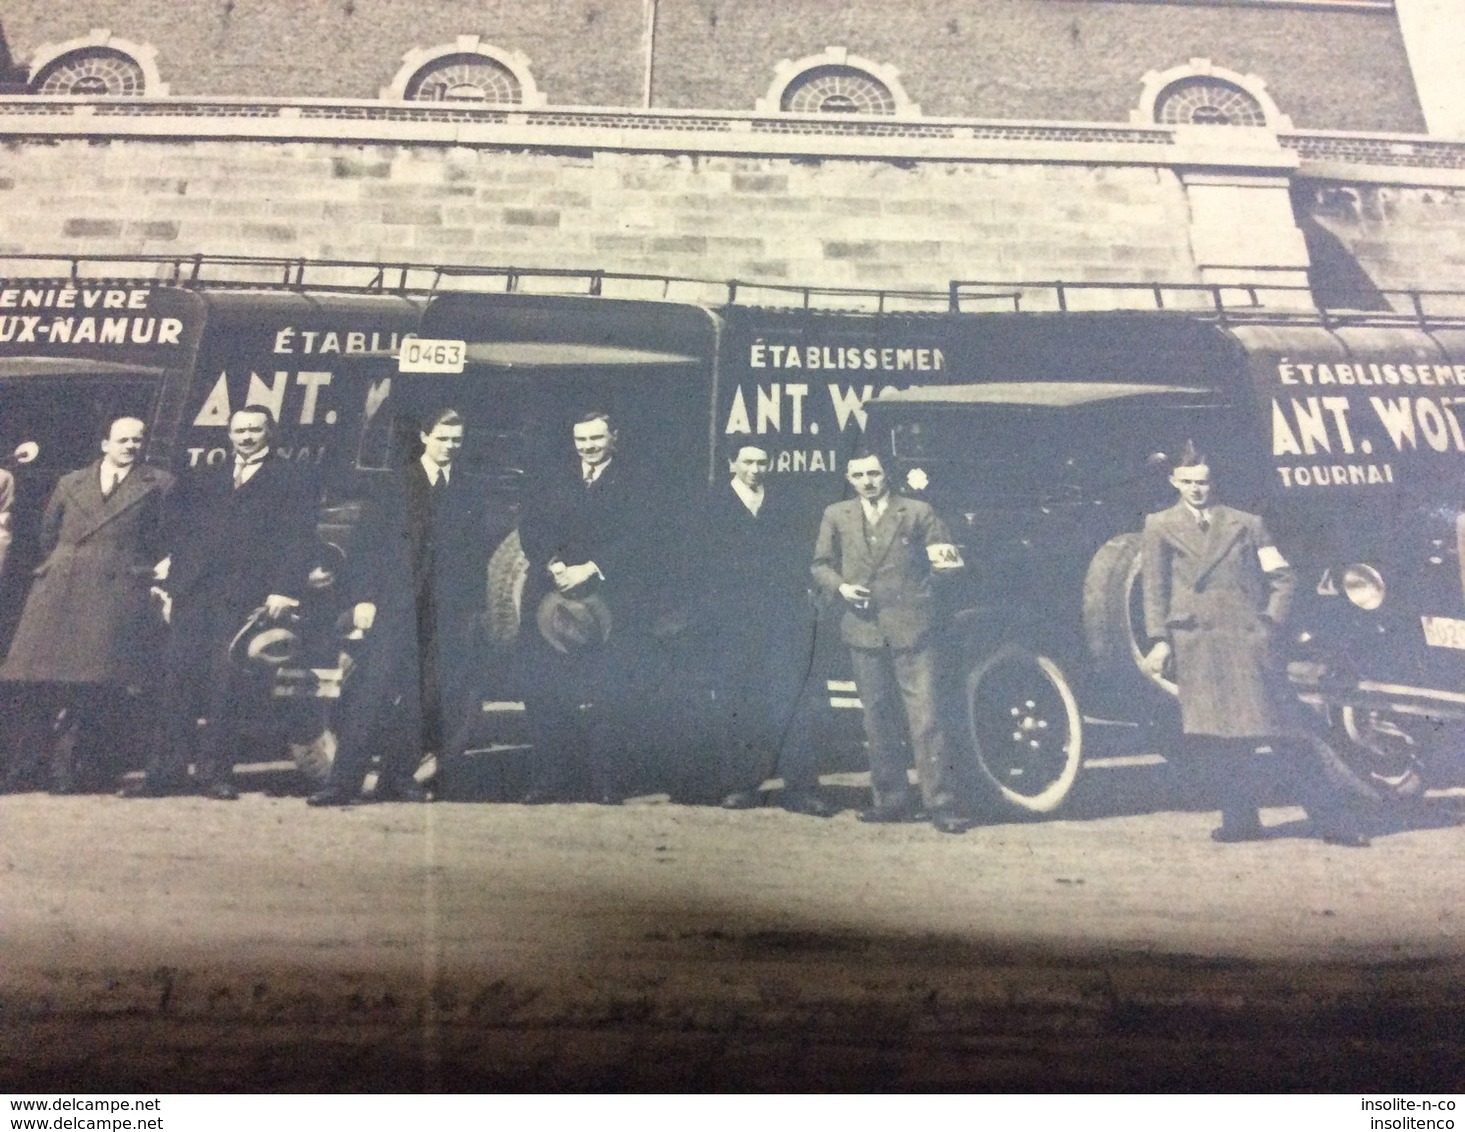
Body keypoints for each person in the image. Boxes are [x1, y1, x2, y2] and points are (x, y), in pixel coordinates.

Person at [1141, 443, 1370, 847]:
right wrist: (1159, 641)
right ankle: (1240, 822)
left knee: (1285, 734)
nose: (1198, 490)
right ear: (1174, 482)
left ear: (1214, 482)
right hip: (1197, 644)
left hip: (1248, 643)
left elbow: (1283, 578)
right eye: (1189, 482)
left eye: (1205, 482)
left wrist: (1268, 624)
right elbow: (1154, 589)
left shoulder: (1248, 524)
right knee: (1220, 741)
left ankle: (1336, 823)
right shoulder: (1158, 525)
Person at [130, 406, 315, 800]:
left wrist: (283, 590)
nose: (246, 437)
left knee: (225, 685)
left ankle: (215, 774)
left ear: (270, 433)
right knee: (177, 679)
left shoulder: (291, 480)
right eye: (239, 430)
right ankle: (164, 773)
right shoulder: (206, 476)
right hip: (195, 593)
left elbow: (298, 539)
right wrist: (170, 580)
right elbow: (177, 530)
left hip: (244, 597)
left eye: (254, 430)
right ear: (229, 434)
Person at [309, 408, 489, 805]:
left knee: (420, 700)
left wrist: (470, 609)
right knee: (372, 693)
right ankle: (341, 784)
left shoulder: (466, 489)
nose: (449, 447)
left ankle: (398, 779)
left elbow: (475, 555)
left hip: (442, 612)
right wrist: (364, 599)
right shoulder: (396, 485)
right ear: (426, 437)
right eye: (443, 438)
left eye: (457, 440)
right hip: (393, 607)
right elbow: (366, 547)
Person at [0, 417, 174, 792]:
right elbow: (49, 532)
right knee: (37, 683)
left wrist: (136, 573)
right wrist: (57, 568)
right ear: (104, 443)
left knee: (91, 688)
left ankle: (70, 770)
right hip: (59, 588)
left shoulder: (157, 484)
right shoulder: (71, 481)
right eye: (122, 439)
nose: (130, 446)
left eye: (137, 440)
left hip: (112, 592)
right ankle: (26, 767)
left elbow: (162, 538)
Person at [811, 451, 969, 834]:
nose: (868, 481)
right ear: (849, 478)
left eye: (875, 473)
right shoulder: (837, 514)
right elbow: (820, 565)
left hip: (913, 629)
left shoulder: (917, 511)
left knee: (926, 717)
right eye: (860, 475)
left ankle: (941, 804)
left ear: (887, 476)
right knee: (876, 717)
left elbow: (947, 567)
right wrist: (844, 588)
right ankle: (890, 799)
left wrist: (918, 599)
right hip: (863, 630)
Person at [694, 442, 834, 816]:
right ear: (731, 464)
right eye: (747, 462)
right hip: (732, 621)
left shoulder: (783, 502)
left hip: (781, 619)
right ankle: (741, 785)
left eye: (761, 462)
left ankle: (801, 788)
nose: (755, 469)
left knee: (790, 700)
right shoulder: (711, 505)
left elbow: (798, 555)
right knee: (737, 701)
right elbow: (701, 563)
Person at [518, 411, 647, 804]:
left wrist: (591, 569)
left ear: (614, 438)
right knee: (544, 689)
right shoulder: (554, 478)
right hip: (550, 599)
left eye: (596, 438)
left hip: (608, 599)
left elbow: (642, 533)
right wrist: (554, 565)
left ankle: (606, 782)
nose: (588, 447)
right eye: (581, 440)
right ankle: (550, 778)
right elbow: (531, 526)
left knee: (606, 691)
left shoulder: (635, 481)